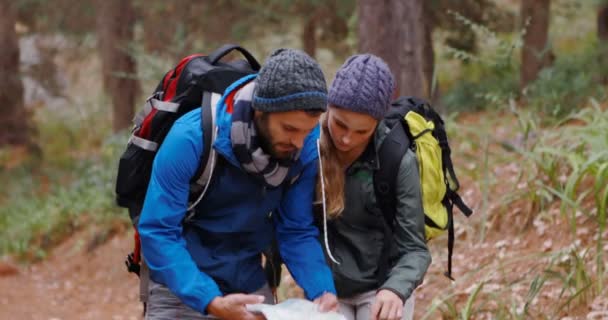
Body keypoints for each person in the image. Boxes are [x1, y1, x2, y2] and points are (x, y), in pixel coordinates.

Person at [138, 48, 338, 320]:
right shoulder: (190, 139)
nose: (299, 143)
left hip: (247, 281)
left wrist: (321, 289)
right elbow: (159, 230)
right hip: (180, 282)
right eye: (289, 129)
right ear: (260, 110)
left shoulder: (303, 149)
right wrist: (208, 299)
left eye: (307, 130)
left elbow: (295, 229)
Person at [316, 54, 431, 320]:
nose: (346, 139)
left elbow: (415, 248)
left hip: (383, 286)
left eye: (361, 132)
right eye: (340, 124)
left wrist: (395, 289)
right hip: (327, 288)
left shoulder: (396, 159)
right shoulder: (310, 148)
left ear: (377, 124)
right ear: (328, 108)